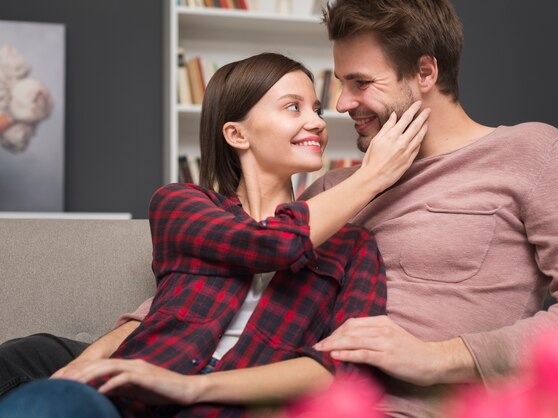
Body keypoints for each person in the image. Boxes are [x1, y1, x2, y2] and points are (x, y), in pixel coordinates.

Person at [2, 1, 558, 417]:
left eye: (359, 82)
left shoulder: (529, 153)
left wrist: (442, 355)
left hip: (352, 397)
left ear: (426, 72)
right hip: (226, 356)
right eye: (336, 82)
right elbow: (229, 273)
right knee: (21, 361)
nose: (339, 102)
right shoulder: (332, 189)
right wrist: (107, 347)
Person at [0, 52, 429, 417]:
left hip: (229, 407)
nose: (318, 122)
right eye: (293, 107)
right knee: (47, 396)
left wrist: (192, 388)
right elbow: (272, 245)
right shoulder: (182, 205)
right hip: (130, 400)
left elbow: (343, 368)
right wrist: (372, 176)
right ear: (236, 134)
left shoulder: (353, 247)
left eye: (316, 109)